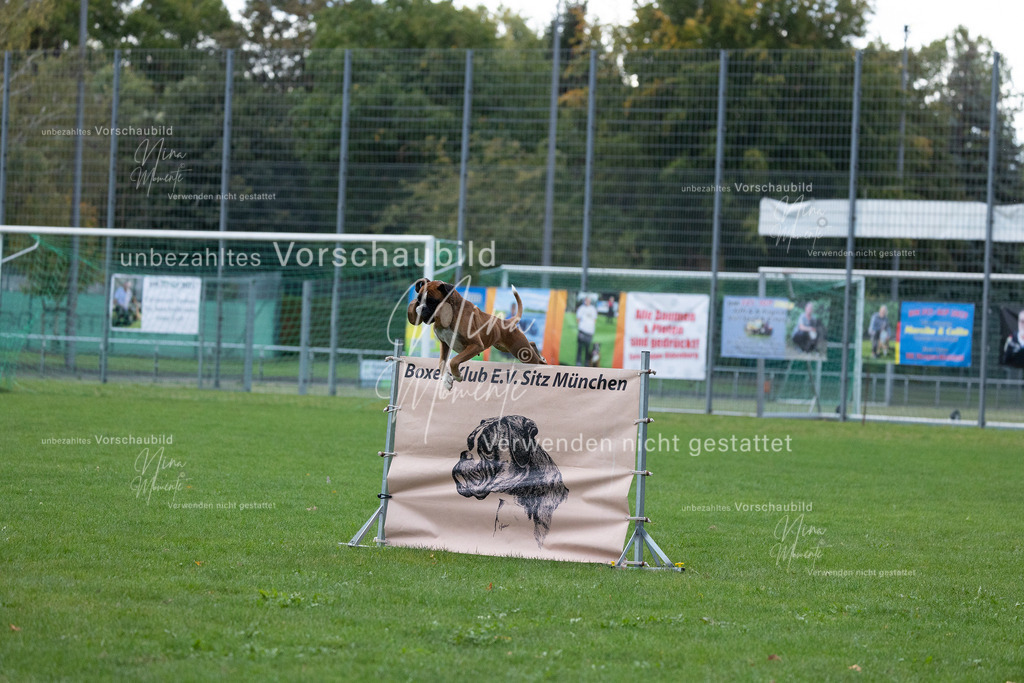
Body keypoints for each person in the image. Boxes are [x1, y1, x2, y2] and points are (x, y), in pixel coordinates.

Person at [575, 296, 598, 367]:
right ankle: (578, 362)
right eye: (586, 300)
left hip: (589, 332)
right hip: (582, 331)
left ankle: (586, 362)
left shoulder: (593, 309)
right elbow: (578, 318)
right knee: (580, 347)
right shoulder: (581, 308)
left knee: (588, 348)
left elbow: (594, 319)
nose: (587, 301)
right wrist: (582, 326)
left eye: (589, 300)